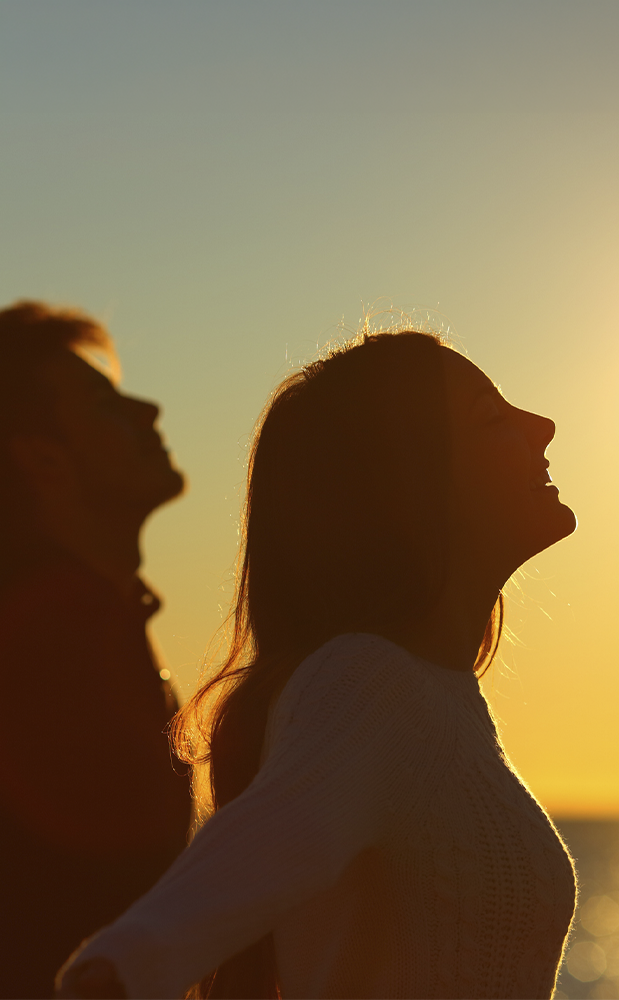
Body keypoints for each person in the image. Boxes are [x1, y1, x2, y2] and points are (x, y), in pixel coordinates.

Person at [56, 329, 578, 1000]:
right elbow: (241, 867)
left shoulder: (437, 700)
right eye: (491, 419)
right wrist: (115, 975)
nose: (542, 426)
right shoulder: (369, 684)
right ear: (409, 479)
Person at [0, 301, 192, 1000]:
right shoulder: (45, 649)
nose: (147, 410)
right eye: (103, 403)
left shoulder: (95, 624)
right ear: (42, 458)